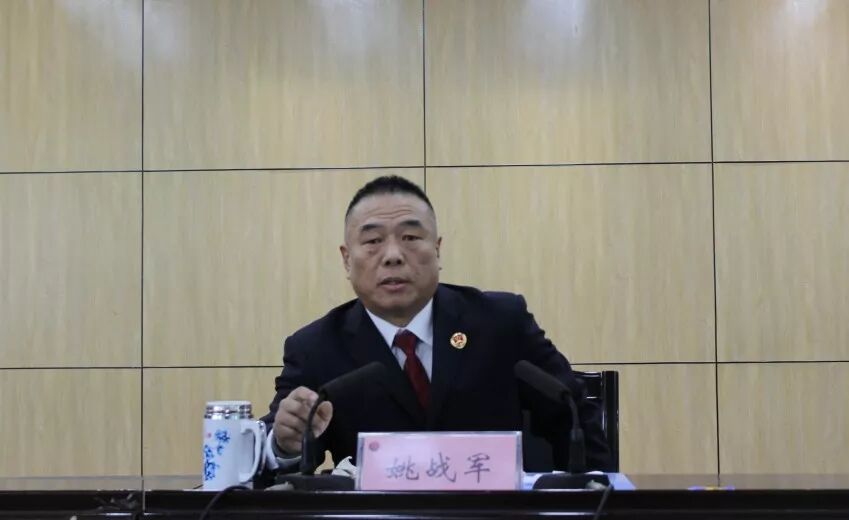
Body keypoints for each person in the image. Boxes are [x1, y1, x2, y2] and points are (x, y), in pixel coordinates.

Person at [261, 175, 610, 473]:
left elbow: (574, 415)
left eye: (411, 238)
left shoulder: (501, 323)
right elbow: (277, 452)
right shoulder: (316, 347)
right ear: (346, 259)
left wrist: (598, 495)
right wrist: (284, 445)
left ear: (438, 249)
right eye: (373, 241)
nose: (393, 255)